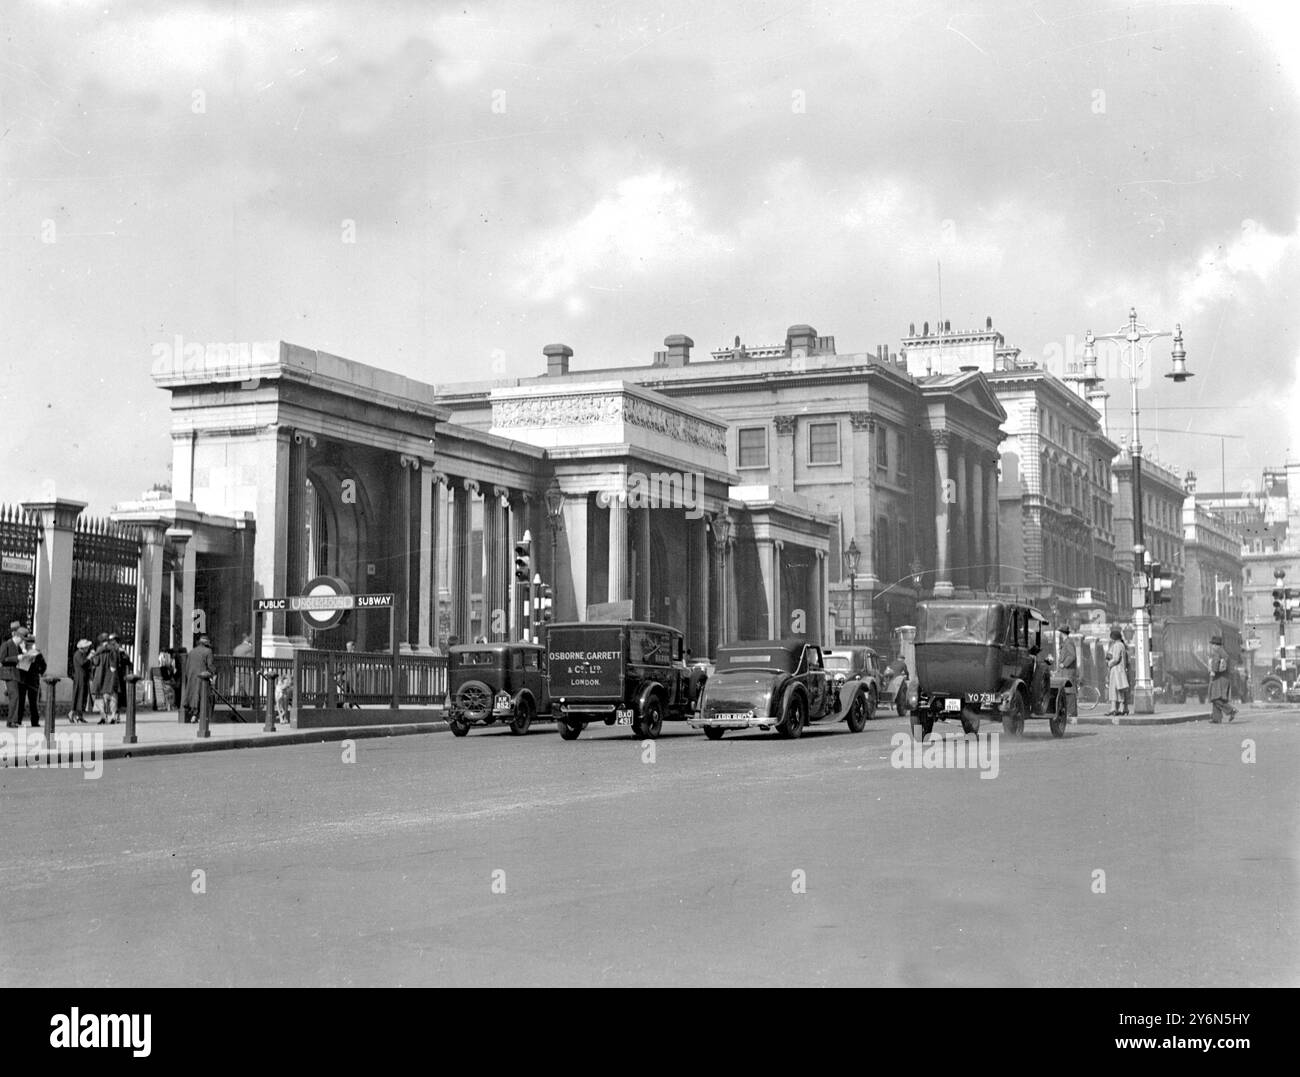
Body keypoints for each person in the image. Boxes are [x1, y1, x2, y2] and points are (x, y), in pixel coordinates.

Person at [90, 633, 127, 724]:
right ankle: (114, 716)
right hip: (111, 675)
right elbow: (116, 663)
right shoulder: (114, 650)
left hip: (100, 675)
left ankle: (103, 716)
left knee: (100, 697)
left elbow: (95, 662)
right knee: (113, 696)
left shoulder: (98, 650)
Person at [180, 635, 216, 723]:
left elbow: (187, 666)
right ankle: (200, 717)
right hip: (202, 677)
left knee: (193, 696)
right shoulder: (208, 651)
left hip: (192, 677)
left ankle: (194, 716)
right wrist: (213, 673)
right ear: (207, 644)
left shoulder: (192, 651)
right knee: (203, 696)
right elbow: (210, 666)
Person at [0, 624, 29, 727]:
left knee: (16, 697)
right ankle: (11, 721)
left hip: (15, 674)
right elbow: (2, 659)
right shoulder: (6, 644)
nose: (22, 641)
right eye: (22, 639)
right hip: (9, 674)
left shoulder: (17, 647)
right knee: (15, 696)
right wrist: (17, 658)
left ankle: (13, 721)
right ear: (18, 637)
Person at [1207, 633, 1238, 724]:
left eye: (1213, 644)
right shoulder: (1223, 652)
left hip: (1219, 678)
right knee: (1217, 697)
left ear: (1216, 645)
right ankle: (1216, 718)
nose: (1212, 646)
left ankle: (1231, 710)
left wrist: (1214, 670)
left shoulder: (1218, 652)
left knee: (1215, 698)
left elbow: (1217, 662)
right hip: (1223, 678)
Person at [17, 638, 46, 727]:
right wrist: (39, 672)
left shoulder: (32, 653)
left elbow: (43, 666)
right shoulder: (34, 653)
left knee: (26, 702)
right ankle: (31, 721)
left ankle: (22, 720)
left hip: (25, 680)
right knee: (29, 702)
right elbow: (44, 666)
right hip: (29, 680)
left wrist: (39, 672)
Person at [1105, 627, 1130, 716]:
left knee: (1114, 689)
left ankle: (1114, 708)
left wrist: (1109, 663)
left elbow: (1115, 659)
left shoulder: (1116, 645)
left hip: (1116, 670)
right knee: (1120, 689)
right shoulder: (1122, 645)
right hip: (1121, 670)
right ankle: (1121, 708)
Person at [70, 638, 94, 723]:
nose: (88, 648)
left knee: (83, 696)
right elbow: (82, 663)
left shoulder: (82, 654)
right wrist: (89, 657)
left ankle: (79, 715)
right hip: (79, 678)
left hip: (83, 677)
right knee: (79, 696)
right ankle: (75, 715)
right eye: (86, 647)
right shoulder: (78, 654)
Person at [1057, 625, 1079, 717]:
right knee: (1066, 691)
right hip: (1065, 672)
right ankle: (1069, 711)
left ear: (1062, 633)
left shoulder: (1068, 642)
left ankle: (1072, 712)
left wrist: (1064, 664)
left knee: (1069, 691)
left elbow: (1072, 656)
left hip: (1068, 671)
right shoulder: (1066, 642)